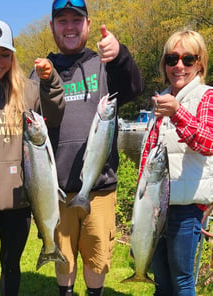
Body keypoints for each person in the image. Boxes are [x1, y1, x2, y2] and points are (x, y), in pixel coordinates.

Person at [30, 1, 144, 295]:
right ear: (53, 27)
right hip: (54, 189)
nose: (70, 27)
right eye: (62, 21)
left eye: (76, 21)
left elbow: (133, 87)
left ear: (88, 25)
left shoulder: (104, 64)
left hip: (100, 189)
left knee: (97, 261)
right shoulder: (41, 70)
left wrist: (120, 56)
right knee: (63, 259)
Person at [0, 17, 64, 296]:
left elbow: (53, 118)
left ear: (13, 55)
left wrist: (51, 81)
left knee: (11, 265)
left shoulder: (28, 90)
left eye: (5, 54)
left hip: (19, 200)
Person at [138, 29, 213, 296]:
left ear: (200, 63)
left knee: (182, 282)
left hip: (187, 209)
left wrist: (178, 113)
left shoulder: (207, 96)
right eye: (172, 59)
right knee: (161, 281)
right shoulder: (162, 99)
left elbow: (208, 142)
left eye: (188, 59)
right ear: (164, 64)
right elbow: (149, 156)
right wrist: (141, 198)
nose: (178, 66)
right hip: (155, 205)